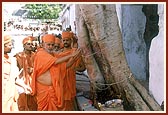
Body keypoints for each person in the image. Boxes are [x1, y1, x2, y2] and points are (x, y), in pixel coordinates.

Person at [30, 34, 81, 111]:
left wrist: (75, 57)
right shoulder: (41, 54)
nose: (50, 47)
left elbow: (65, 66)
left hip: (53, 89)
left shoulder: (53, 55)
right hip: (43, 89)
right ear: (43, 45)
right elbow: (56, 62)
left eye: (52, 45)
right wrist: (71, 55)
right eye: (48, 45)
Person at [57, 31, 86, 111]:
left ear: (71, 41)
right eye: (64, 40)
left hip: (70, 81)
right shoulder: (59, 54)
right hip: (61, 82)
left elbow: (83, 68)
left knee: (70, 101)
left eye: (67, 40)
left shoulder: (75, 52)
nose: (65, 42)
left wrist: (73, 68)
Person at [14, 36, 37, 111]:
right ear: (24, 45)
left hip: (34, 80)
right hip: (23, 81)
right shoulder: (18, 56)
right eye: (28, 44)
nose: (30, 46)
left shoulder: (36, 55)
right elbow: (15, 70)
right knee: (23, 101)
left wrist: (33, 69)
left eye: (31, 44)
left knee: (34, 102)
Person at [3, 34, 19, 112]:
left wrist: (25, 87)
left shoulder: (13, 60)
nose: (11, 46)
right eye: (9, 45)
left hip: (12, 93)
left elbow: (14, 78)